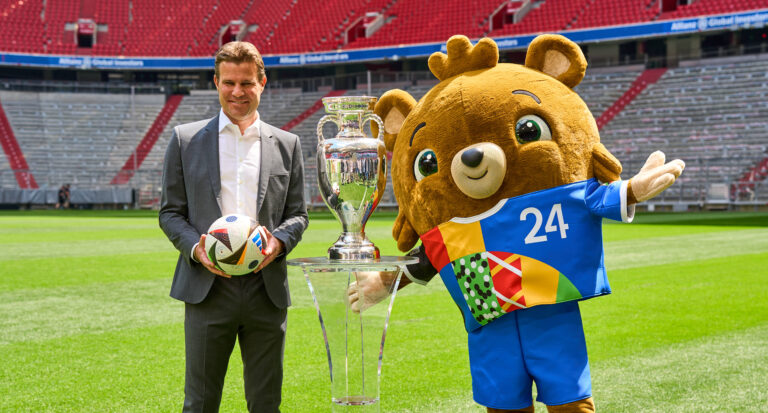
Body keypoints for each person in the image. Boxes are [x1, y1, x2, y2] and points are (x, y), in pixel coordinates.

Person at [159, 41, 308, 413]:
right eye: (228, 83)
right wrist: (197, 249)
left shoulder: (287, 144)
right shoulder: (185, 140)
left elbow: (299, 214)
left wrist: (278, 242)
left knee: (265, 402)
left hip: (265, 288)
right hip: (208, 290)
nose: (237, 92)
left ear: (262, 83)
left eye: (246, 83)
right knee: (200, 401)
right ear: (216, 82)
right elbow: (170, 212)